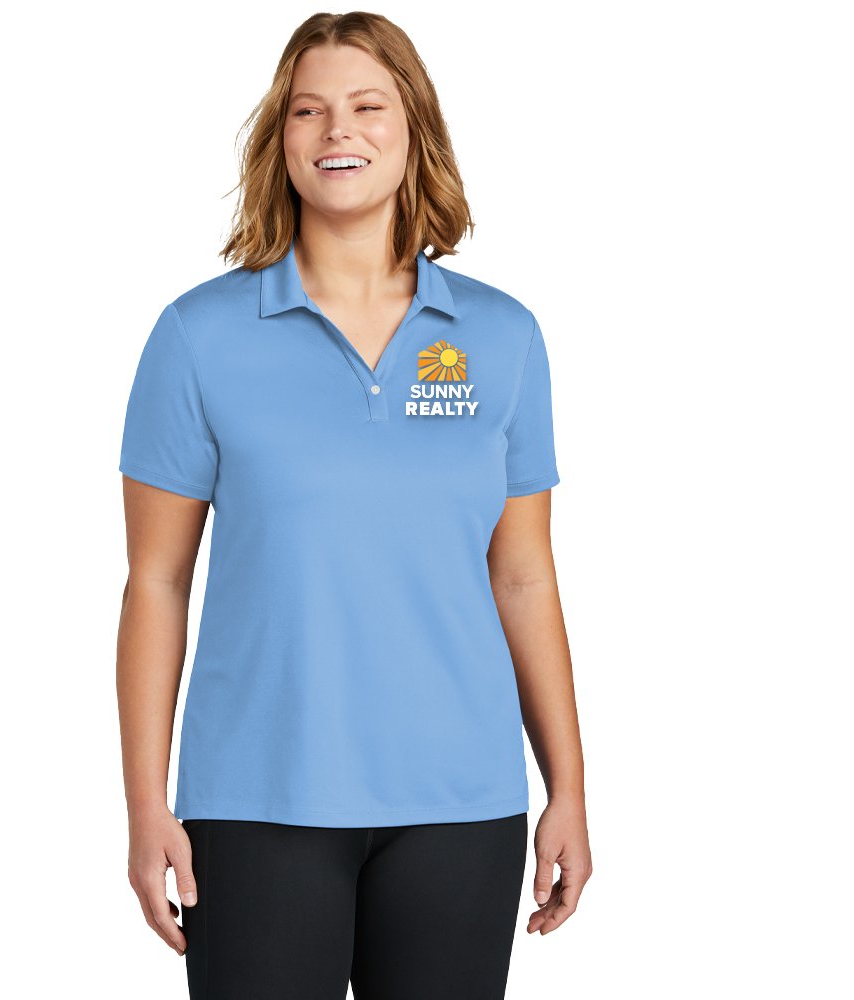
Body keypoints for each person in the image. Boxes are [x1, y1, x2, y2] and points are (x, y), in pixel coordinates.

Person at [116, 11, 591, 999]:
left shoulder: (503, 338)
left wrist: (568, 788)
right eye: (309, 110)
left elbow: (523, 577)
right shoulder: (197, 337)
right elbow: (156, 581)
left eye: (368, 106)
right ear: (280, 138)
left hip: (461, 806)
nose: (339, 130)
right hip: (255, 802)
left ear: (413, 130)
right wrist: (145, 804)